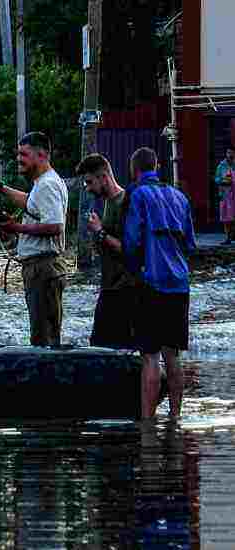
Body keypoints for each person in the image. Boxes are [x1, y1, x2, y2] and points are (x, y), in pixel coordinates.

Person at [123, 147, 196, 419]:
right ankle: (176, 416)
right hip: (180, 284)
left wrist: (133, 269)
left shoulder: (137, 195)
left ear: (135, 170)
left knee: (150, 356)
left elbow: (132, 242)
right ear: (157, 166)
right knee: (173, 355)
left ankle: (148, 420)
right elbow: (190, 243)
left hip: (151, 283)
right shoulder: (180, 197)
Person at [0, 131, 69, 347]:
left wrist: (17, 227)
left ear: (41, 155)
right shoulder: (43, 183)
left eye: (23, 154)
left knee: (44, 338)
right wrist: (1, 188)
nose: (18, 159)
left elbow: (55, 226)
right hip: (41, 268)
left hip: (44, 268)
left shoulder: (48, 184)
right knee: (42, 334)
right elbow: (31, 202)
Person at [77, 153, 139, 349]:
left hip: (125, 290)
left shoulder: (125, 203)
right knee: (99, 346)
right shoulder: (106, 203)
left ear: (104, 177)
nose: (88, 188)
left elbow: (130, 250)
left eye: (89, 182)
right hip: (110, 286)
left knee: (114, 348)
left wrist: (100, 232)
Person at [214, 147, 235, 245]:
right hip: (225, 194)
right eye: (228, 152)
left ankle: (232, 236)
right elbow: (216, 179)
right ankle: (227, 238)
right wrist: (223, 181)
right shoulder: (221, 166)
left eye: (232, 153)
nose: (230, 154)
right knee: (226, 218)